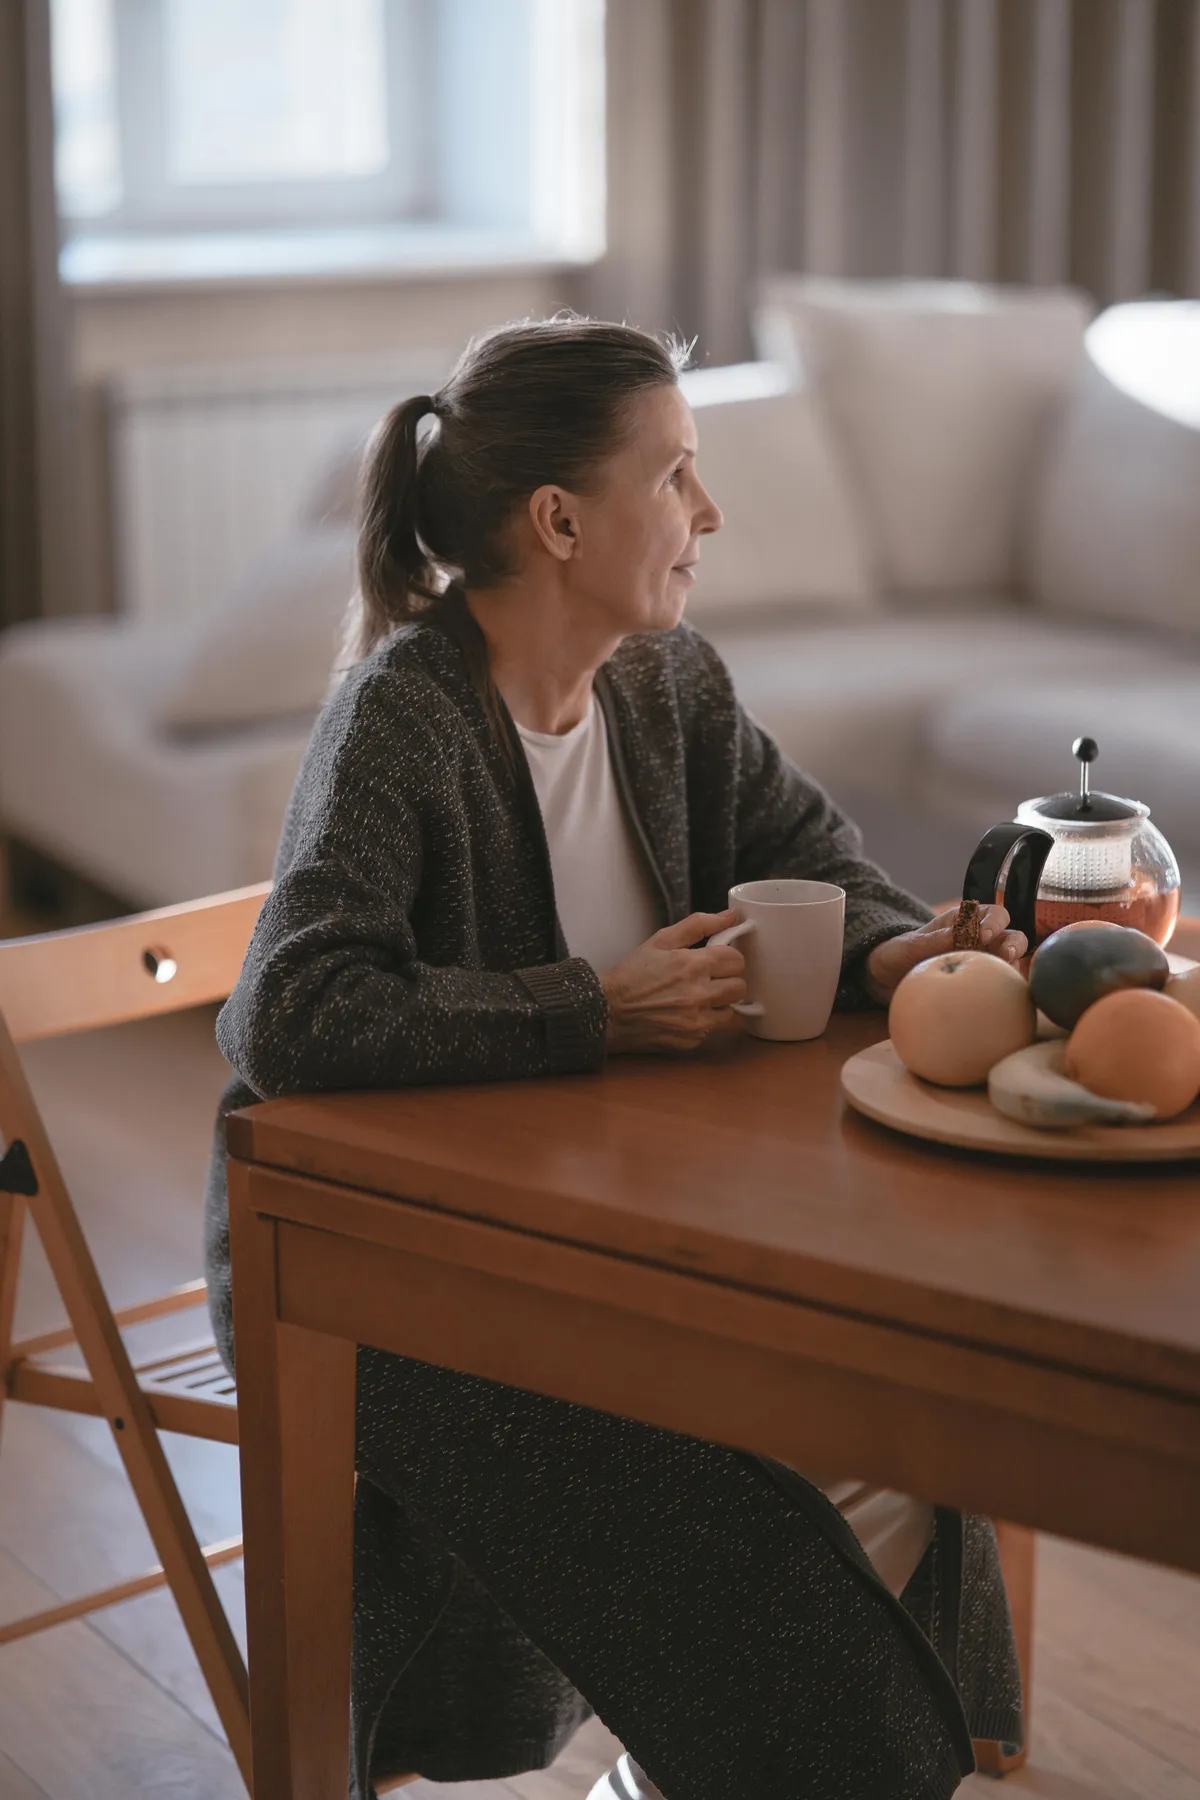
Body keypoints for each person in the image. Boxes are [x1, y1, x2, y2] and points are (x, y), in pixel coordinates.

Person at [205, 315, 1026, 1800]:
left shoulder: (669, 687)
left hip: (616, 1228)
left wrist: (908, 949)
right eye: (680, 476)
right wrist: (597, 1007)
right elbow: (292, 1014)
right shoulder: (401, 715)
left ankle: (661, 1768)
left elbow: (816, 862)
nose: (708, 516)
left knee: (898, 1427)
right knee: (713, 1505)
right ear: (562, 521)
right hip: (382, 1265)